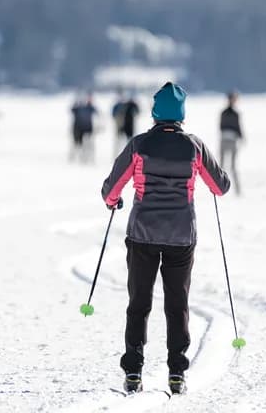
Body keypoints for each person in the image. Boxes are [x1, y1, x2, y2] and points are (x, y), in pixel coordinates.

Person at [102, 82, 231, 396]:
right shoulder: (194, 146)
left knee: (139, 303)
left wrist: (112, 201)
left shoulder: (139, 144)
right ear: (182, 114)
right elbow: (220, 186)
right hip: (181, 236)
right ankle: (177, 372)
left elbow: (112, 188)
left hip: (142, 233)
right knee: (177, 304)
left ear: (155, 111)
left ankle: (133, 371)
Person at [219, 91, 243, 195]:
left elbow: (220, 126)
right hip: (231, 140)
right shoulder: (235, 114)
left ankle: (219, 187)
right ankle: (236, 190)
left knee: (222, 166)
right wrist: (241, 137)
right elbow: (238, 127)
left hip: (225, 139)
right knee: (230, 167)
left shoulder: (223, 112)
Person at [70, 94, 98, 163]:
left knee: (88, 144)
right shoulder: (77, 108)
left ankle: (88, 158)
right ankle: (79, 157)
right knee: (78, 144)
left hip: (88, 129)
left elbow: (96, 112)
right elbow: (72, 110)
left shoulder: (89, 107)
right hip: (79, 129)